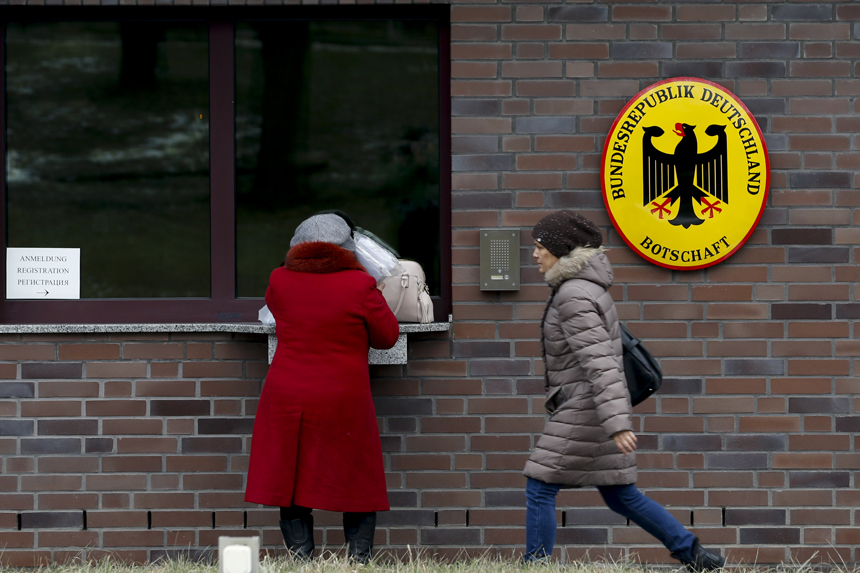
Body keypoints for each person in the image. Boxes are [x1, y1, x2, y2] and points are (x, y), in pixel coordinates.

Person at [522, 210, 725, 571]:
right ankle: (695, 555)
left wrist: (617, 424)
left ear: (561, 249)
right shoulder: (584, 288)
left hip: (586, 409)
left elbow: (602, 362)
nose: (535, 254)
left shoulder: (573, 295)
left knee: (540, 484)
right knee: (620, 494)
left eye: (540, 247)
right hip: (595, 408)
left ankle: (534, 566)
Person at [245, 213, 400, 562]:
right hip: (343, 395)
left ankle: (301, 558)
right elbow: (387, 337)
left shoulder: (279, 280)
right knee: (356, 474)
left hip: (287, 391)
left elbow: (279, 312)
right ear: (347, 249)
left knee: (291, 474)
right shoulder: (359, 285)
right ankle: (358, 560)